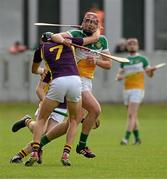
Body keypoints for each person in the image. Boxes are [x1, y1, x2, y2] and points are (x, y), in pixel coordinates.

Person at [23, 30, 102, 167]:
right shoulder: (69, 42)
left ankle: (35, 151)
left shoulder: (40, 49)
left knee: (41, 118)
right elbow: (91, 39)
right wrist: (96, 32)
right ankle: (66, 154)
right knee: (73, 120)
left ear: (43, 41)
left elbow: (34, 70)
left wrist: (43, 72)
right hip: (76, 81)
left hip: (58, 82)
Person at [48, 12, 112, 158]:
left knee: (71, 123)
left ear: (98, 26)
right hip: (76, 80)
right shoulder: (76, 33)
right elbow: (54, 36)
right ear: (82, 23)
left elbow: (109, 64)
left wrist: (97, 62)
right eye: (87, 21)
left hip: (88, 82)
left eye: (93, 22)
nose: (90, 23)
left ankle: (37, 147)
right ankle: (82, 146)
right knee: (95, 110)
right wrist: (65, 41)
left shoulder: (102, 41)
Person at [10, 69, 68, 164]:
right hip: (46, 102)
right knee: (41, 132)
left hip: (61, 109)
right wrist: (47, 104)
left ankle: (27, 121)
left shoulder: (73, 71)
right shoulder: (51, 68)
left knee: (48, 135)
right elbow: (39, 89)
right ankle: (19, 155)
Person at [115, 38, 157, 145]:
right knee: (133, 116)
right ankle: (137, 139)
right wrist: (119, 76)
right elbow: (119, 74)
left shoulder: (143, 59)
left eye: (134, 44)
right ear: (127, 46)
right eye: (130, 44)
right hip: (127, 90)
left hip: (138, 89)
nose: (132, 45)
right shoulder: (124, 61)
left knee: (131, 114)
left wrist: (151, 71)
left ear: (137, 46)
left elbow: (150, 75)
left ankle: (126, 138)